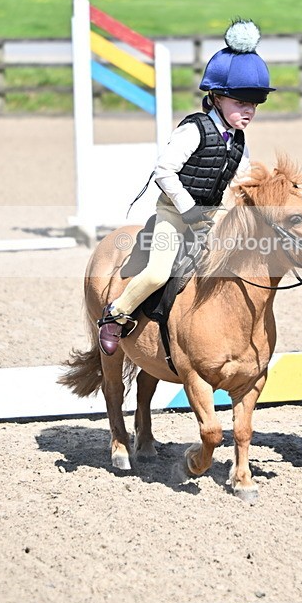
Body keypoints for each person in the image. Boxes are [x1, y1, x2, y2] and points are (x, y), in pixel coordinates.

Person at [98, 18, 275, 356]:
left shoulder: (240, 141)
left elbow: (241, 181)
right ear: (217, 98)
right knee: (157, 273)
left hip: (211, 215)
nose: (249, 110)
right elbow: (164, 171)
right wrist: (188, 209)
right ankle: (116, 315)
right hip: (174, 214)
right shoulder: (193, 130)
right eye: (241, 102)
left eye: (254, 104)